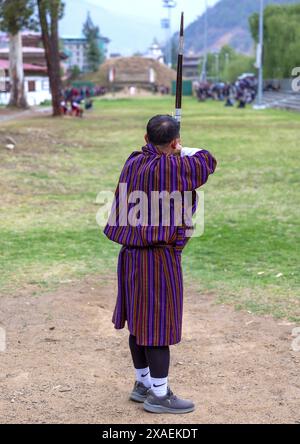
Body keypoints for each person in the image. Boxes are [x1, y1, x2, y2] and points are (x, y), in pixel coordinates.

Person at [104, 115, 217, 414]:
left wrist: (171, 147)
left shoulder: (133, 161)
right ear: (174, 143)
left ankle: (142, 384)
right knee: (157, 327)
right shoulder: (173, 167)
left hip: (130, 256)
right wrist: (181, 149)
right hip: (157, 258)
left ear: (145, 138)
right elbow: (207, 161)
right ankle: (159, 393)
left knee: (139, 323)